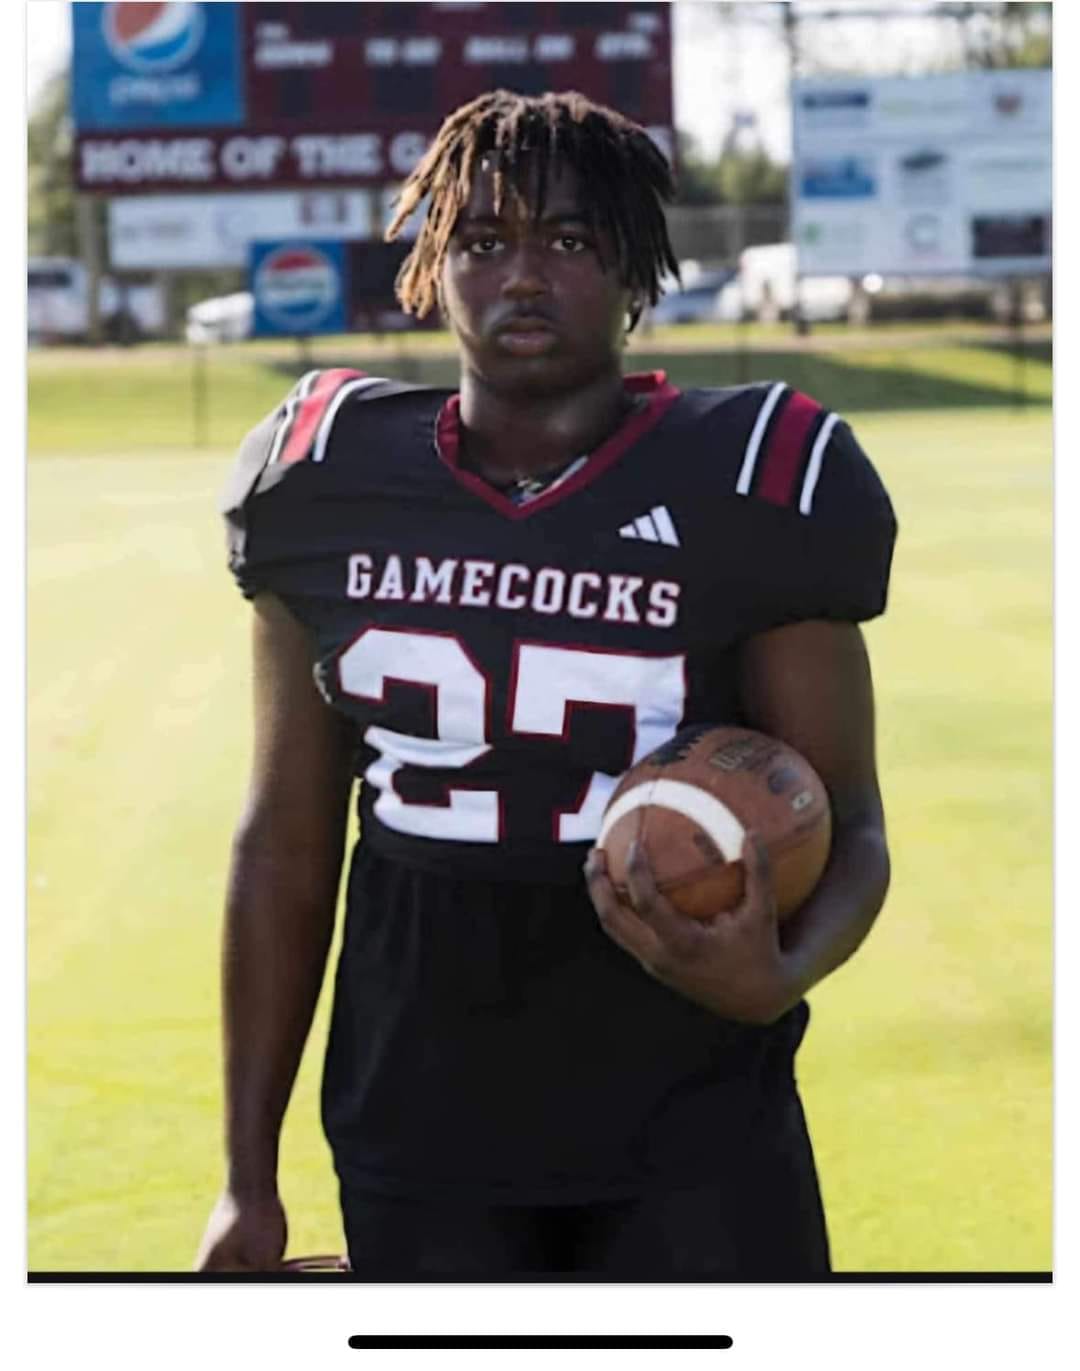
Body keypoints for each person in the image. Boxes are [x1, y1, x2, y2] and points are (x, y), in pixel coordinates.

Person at [196, 90, 896, 1278]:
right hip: (415, 1119)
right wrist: (246, 1180)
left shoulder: (762, 477)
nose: (523, 275)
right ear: (430, 266)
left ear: (634, 270)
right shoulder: (319, 477)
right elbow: (283, 844)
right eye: (481, 241)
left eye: (570, 240)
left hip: (693, 1118)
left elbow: (856, 827)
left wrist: (780, 970)